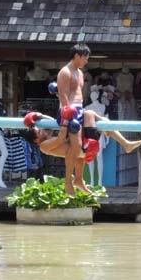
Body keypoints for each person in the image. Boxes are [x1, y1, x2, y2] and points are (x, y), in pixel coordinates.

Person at [21, 110, 141, 192]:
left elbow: (54, 121)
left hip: (80, 149)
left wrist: (40, 115)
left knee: (99, 119)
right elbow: (61, 138)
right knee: (89, 114)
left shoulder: (46, 135)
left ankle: (124, 143)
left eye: (40, 130)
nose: (41, 131)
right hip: (85, 149)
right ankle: (119, 139)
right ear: (36, 141)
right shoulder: (44, 146)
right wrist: (66, 118)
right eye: (38, 132)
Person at [56, 43, 90, 195]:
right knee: (75, 147)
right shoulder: (65, 72)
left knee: (82, 147)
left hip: (80, 109)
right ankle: (68, 181)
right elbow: (63, 97)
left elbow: (79, 94)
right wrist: (69, 117)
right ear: (77, 56)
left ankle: (79, 179)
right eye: (85, 58)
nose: (86, 61)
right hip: (69, 111)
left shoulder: (80, 73)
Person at [85, 88, 109, 186]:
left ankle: (99, 182)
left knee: (99, 156)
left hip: (100, 133)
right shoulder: (87, 107)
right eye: (92, 94)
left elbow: (107, 121)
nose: (93, 95)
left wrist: (107, 136)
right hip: (90, 133)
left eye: (95, 93)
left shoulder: (104, 107)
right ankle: (91, 181)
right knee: (91, 157)